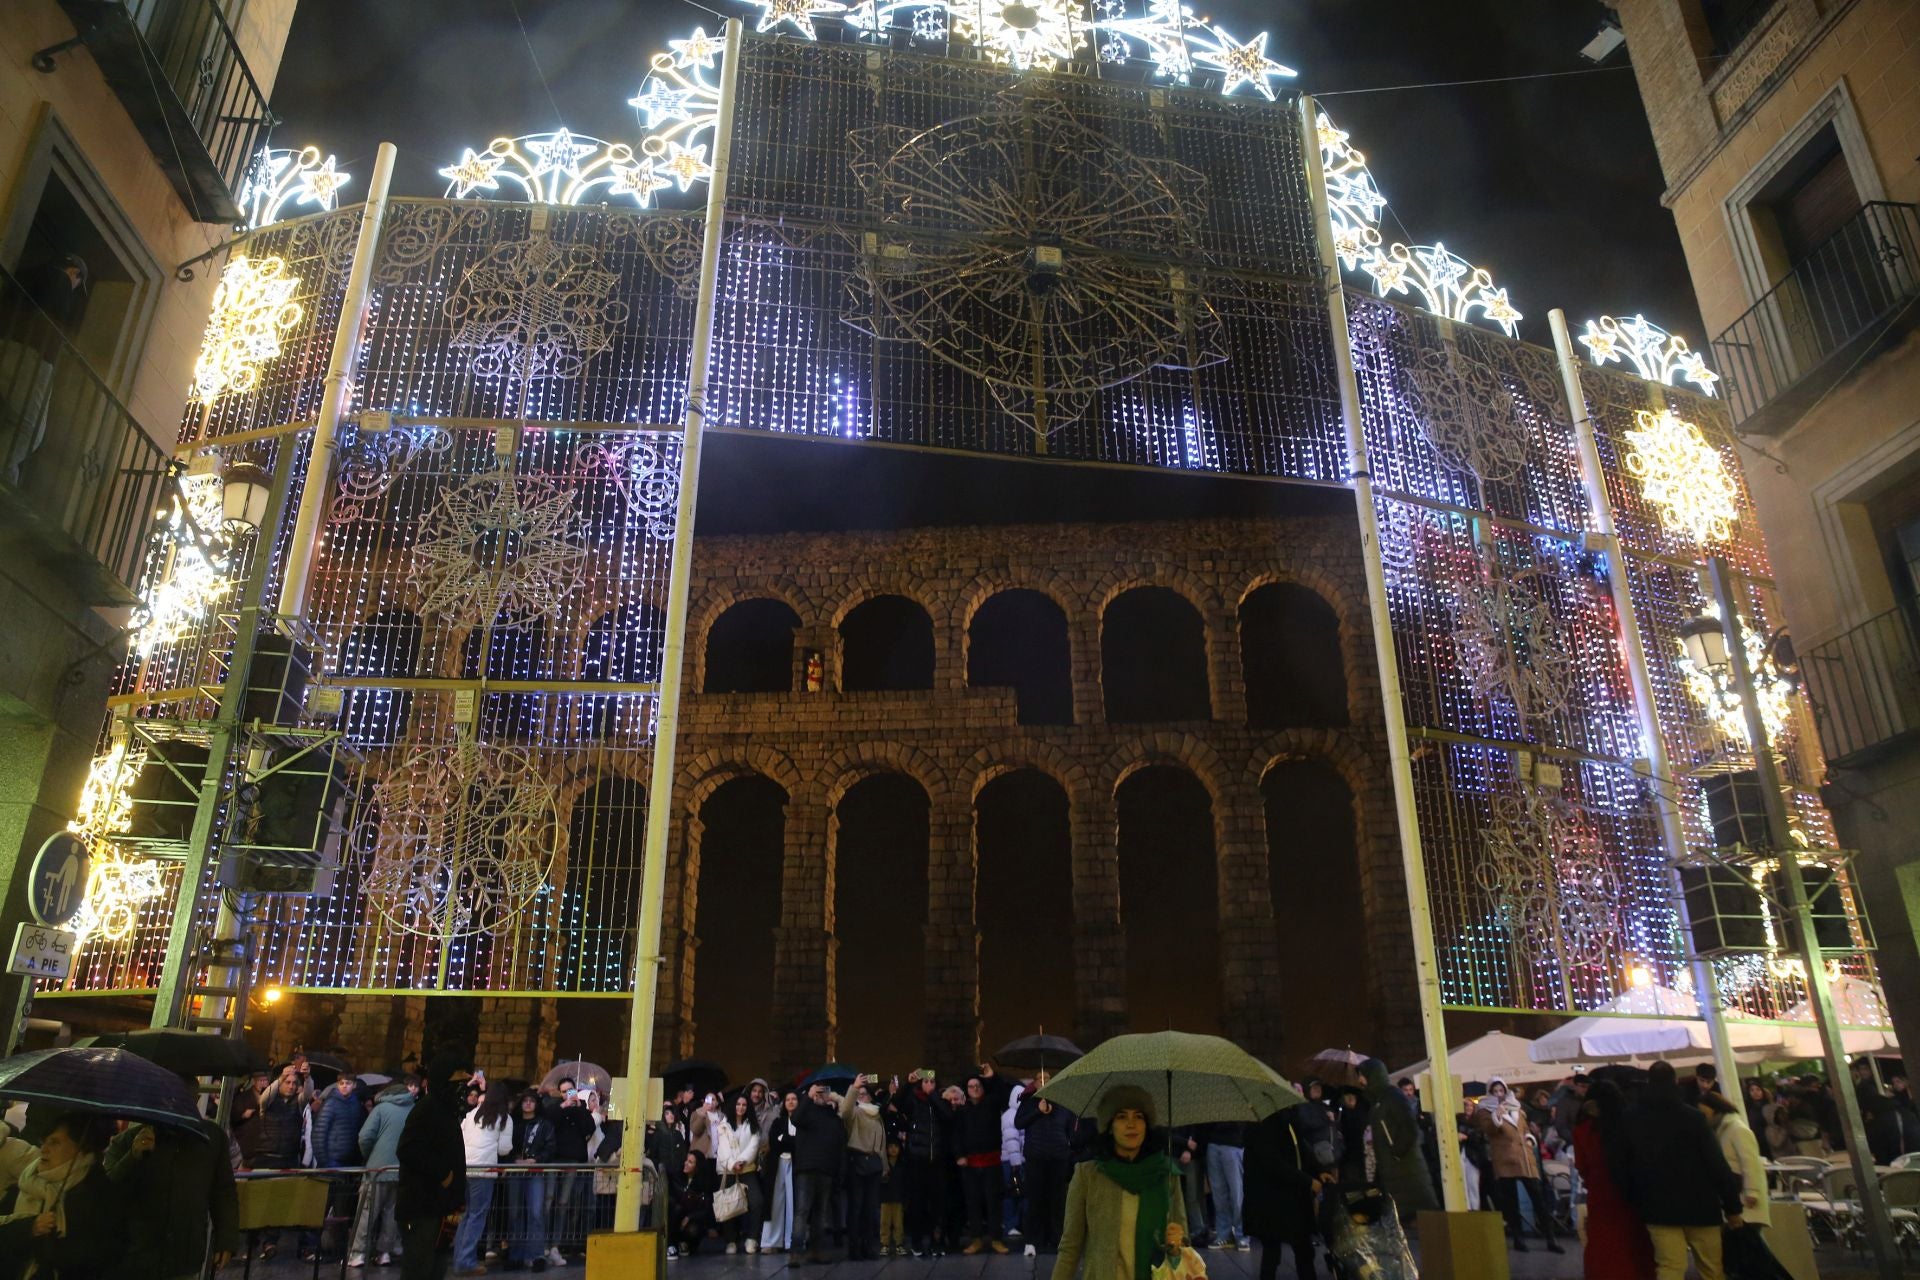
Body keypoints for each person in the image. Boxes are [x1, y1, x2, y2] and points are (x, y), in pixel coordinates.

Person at [1617, 1061, 1744, 1280]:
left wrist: (1634, 1199)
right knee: (1711, 1268)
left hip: (1657, 1205)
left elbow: (1623, 1163)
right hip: (1701, 1204)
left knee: (1669, 1266)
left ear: (1649, 1082)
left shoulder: (1630, 1118)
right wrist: (1732, 1206)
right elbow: (1716, 1164)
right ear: (1675, 1082)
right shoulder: (1693, 1117)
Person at [1052, 1085, 1186, 1280]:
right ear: (1109, 1126)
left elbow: (1184, 1250)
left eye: (1139, 1117)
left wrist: (1175, 1247)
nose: (1131, 1124)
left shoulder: (1166, 1175)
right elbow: (1070, 1248)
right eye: (1122, 1117)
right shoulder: (1087, 1175)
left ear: (1147, 1125)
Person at [104, 1106, 240, 1280]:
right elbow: (108, 1195)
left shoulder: (211, 1138)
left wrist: (226, 1239)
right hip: (134, 1253)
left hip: (183, 1254)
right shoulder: (127, 1140)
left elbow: (223, 1191)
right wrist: (132, 1156)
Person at [0, 1114, 122, 1280]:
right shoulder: (26, 1183)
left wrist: (50, 1241)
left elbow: (99, 1256)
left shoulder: (97, 1194)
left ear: (81, 1148)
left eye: (55, 1142)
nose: (44, 1148)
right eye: (45, 1141)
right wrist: (29, 1227)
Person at [397, 1052, 475, 1280]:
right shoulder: (428, 1108)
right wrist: (444, 1174)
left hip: (441, 1207)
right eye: (459, 1083)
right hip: (423, 1207)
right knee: (419, 1268)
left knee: (435, 1268)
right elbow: (408, 1149)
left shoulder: (447, 1111)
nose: (464, 1089)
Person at [1571, 1079, 1653, 1280]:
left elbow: (1582, 1167)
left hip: (1600, 1195)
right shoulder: (1628, 1122)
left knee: (1604, 1246)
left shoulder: (1582, 1130)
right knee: (1634, 1244)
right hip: (1630, 1193)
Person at [1470, 1078, 1560, 1254]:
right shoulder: (1484, 1110)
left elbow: (1524, 1128)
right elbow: (1490, 1130)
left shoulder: (1516, 1107)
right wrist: (1497, 1115)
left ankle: (1550, 1238)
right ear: (1490, 1092)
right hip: (1505, 1159)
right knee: (1511, 1202)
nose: (1499, 1094)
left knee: (1538, 1198)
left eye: (1501, 1091)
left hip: (1525, 1158)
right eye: (1495, 1091)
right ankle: (1519, 1238)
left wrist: (1529, 1138)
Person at [1241, 1106, 1321, 1280]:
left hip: (1287, 1197)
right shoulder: (1262, 1125)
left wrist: (1316, 1172)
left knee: (1297, 1250)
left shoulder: (1282, 1118)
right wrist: (1308, 1180)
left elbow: (1298, 1149)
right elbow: (1273, 1163)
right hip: (1273, 1200)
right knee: (1277, 1251)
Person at [351, 1077, 418, 1269]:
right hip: (402, 1171)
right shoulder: (413, 1110)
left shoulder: (380, 1109)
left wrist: (369, 1155)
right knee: (391, 1214)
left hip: (377, 1169)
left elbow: (365, 1136)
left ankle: (358, 1254)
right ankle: (385, 1253)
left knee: (367, 1212)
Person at [1359, 1058, 1436, 1221]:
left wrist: (1396, 1153)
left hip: (1405, 1168)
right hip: (1394, 1170)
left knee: (1420, 1218)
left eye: (1362, 1075)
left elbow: (1409, 1128)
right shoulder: (1376, 1102)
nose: (1360, 1080)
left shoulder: (1391, 1096)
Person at [453, 1082, 513, 1276]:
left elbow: (460, 1137)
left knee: (468, 1215)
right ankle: (466, 1262)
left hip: (466, 1167)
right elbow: (504, 1148)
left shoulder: (472, 1114)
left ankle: (459, 1259)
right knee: (478, 1216)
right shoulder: (504, 1118)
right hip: (485, 1169)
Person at [1016, 1081, 1076, 1255]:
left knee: (1058, 1201)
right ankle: (1032, 1240)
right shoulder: (1029, 1102)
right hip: (1036, 1157)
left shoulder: (1063, 1103)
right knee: (1035, 1201)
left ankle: (1057, 1239)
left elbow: (1069, 1127)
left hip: (1058, 1157)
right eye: (1041, 1080)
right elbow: (1019, 1122)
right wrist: (1037, 1111)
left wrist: (1067, 1146)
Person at [790, 1081, 846, 1264]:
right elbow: (795, 1118)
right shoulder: (806, 1112)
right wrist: (807, 1096)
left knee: (820, 1213)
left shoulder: (833, 1117)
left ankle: (816, 1250)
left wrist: (835, 1102)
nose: (821, 1095)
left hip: (826, 1170)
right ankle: (796, 1252)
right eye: (819, 1092)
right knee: (802, 1210)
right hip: (806, 1168)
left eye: (825, 1092)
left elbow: (840, 1143)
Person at [900, 1070, 953, 1257]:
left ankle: (936, 1241)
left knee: (938, 1203)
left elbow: (948, 1117)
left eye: (932, 1081)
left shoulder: (940, 1100)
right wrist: (908, 1083)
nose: (929, 1084)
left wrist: (933, 1097)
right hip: (917, 1158)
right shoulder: (913, 1100)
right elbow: (900, 1105)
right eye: (926, 1081)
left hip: (937, 1158)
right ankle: (916, 1242)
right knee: (917, 1203)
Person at [955, 1075, 1010, 1254]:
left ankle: (996, 1238)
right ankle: (976, 1239)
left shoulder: (991, 1104)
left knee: (994, 1202)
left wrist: (992, 1078)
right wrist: (960, 1155)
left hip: (991, 1160)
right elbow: (957, 1135)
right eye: (971, 1086)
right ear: (967, 1090)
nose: (975, 1088)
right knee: (973, 1203)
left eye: (978, 1085)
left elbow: (1003, 1094)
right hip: (970, 1162)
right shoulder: (963, 1110)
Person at [841, 1074, 888, 1260]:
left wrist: (884, 1166)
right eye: (858, 1094)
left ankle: (868, 1245)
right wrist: (854, 1087)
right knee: (856, 1207)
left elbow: (882, 1143)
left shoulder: (877, 1115)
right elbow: (844, 1111)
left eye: (864, 1094)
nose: (861, 1096)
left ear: (870, 1096)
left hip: (874, 1163)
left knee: (870, 1208)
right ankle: (854, 1247)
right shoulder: (854, 1112)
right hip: (857, 1162)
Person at [506, 1091, 555, 1272]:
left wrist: (537, 1159)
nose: (527, 1104)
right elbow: (505, 1145)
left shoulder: (544, 1124)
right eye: (525, 1101)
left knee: (536, 1213)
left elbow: (551, 1147)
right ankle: (515, 1255)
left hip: (535, 1170)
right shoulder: (512, 1123)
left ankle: (537, 1255)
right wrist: (514, 1159)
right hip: (515, 1170)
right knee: (514, 1213)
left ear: (536, 1104)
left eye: (531, 1101)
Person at [714, 1092, 765, 1255]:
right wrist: (732, 1164)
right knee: (729, 1205)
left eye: (744, 1105)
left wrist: (741, 1161)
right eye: (738, 1104)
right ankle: (731, 1240)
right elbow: (722, 1149)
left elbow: (753, 1145)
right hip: (727, 1171)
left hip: (747, 1169)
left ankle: (752, 1238)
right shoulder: (723, 1125)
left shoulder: (753, 1125)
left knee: (757, 1202)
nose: (741, 1107)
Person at [759, 1090, 799, 1254]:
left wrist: (785, 1140)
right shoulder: (778, 1122)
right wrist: (788, 1141)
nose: (790, 1102)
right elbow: (775, 1143)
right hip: (778, 1164)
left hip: (796, 1164)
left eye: (794, 1099)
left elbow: (798, 1143)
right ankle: (772, 1241)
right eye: (787, 1099)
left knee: (793, 1201)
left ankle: (792, 1241)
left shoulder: (803, 1122)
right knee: (775, 1201)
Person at [1202, 1120, 1246, 1251]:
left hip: (1234, 1144)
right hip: (1213, 1144)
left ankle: (1242, 1235)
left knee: (1237, 1193)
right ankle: (1223, 1234)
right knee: (1218, 1194)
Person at [670, 1152, 718, 1257]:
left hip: (693, 1219)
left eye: (690, 1162)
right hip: (677, 1217)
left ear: (697, 1166)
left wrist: (689, 1217)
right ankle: (672, 1244)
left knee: (693, 1230)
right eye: (686, 1160)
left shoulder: (703, 1183)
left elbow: (705, 1209)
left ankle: (688, 1245)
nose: (686, 1163)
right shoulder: (678, 1177)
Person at [1000, 1081, 1027, 1244]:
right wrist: (1017, 1163)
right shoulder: (1012, 1115)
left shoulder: (1013, 1113)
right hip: (1013, 1162)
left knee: (1015, 1193)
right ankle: (1011, 1224)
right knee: (1013, 1194)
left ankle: (1014, 1224)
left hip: (1014, 1161)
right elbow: (1011, 1140)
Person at [879, 1138, 907, 1257]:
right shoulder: (883, 1164)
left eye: (896, 1147)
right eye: (890, 1147)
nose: (893, 1149)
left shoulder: (903, 1164)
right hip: (885, 1198)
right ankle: (884, 1244)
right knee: (884, 1222)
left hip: (898, 1198)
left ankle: (898, 1244)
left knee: (898, 1222)